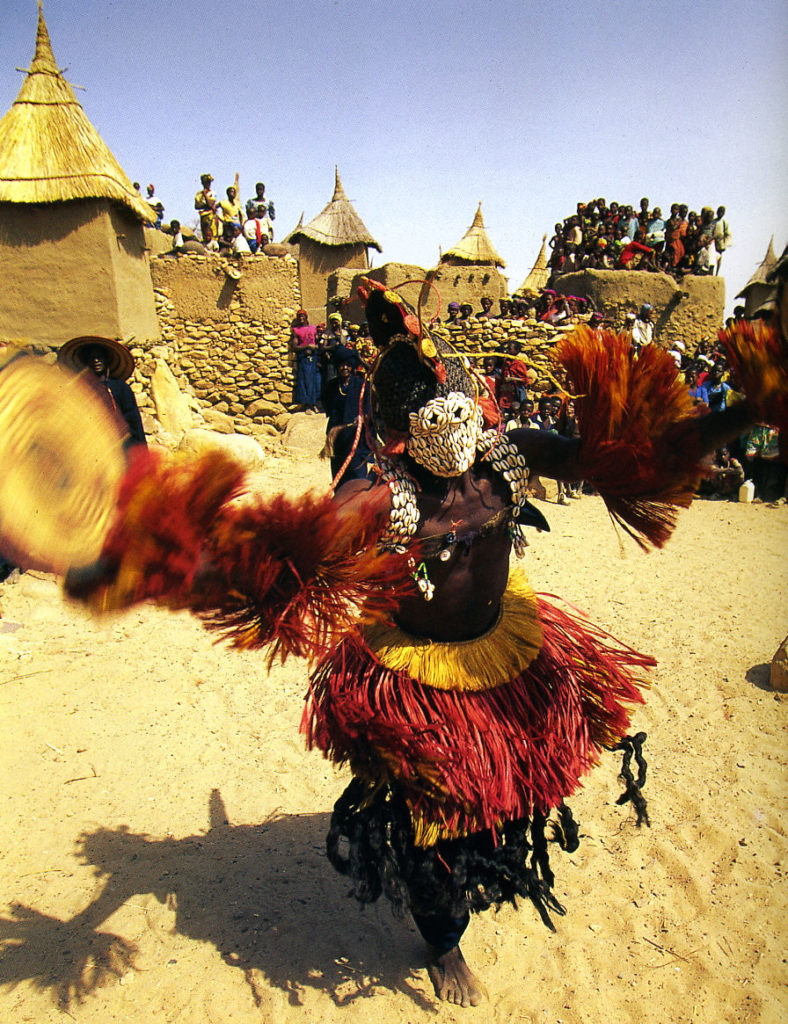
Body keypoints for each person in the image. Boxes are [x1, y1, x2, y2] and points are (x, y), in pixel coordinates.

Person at [11, 280, 785, 1010]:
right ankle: (443, 940)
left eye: (460, 410)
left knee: (504, 803)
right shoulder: (387, 499)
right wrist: (152, 548)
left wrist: (749, 408)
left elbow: (633, 456)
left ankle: (465, 882)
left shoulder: (509, 460)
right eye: (432, 418)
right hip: (417, 677)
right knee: (432, 823)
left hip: (503, 656)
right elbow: (282, 556)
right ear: (400, 435)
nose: (455, 431)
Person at [56, 337, 146, 450]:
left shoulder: (120, 388)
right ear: (86, 362)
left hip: (122, 447)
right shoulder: (81, 389)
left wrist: (141, 452)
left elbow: (134, 423)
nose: (96, 361)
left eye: (99, 357)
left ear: (106, 359)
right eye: (91, 358)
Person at [323, 360, 372, 486]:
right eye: (341, 365)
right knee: (338, 471)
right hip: (338, 435)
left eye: (347, 365)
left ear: (352, 367)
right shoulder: (331, 386)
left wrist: (363, 416)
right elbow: (327, 405)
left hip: (356, 435)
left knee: (356, 472)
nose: (344, 368)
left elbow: (369, 405)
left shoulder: (362, 385)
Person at [290, 310, 322, 411]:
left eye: (303, 316)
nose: (301, 318)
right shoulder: (296, 330)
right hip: (304, 358)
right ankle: (308, 404)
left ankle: (314, 402)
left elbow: (317, 340)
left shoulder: (313, 328)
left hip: (314, 356)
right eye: (299, 316)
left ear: (306, 317)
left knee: (315, 380)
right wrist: (307, 346)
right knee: (306, 380)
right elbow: (295, 347)